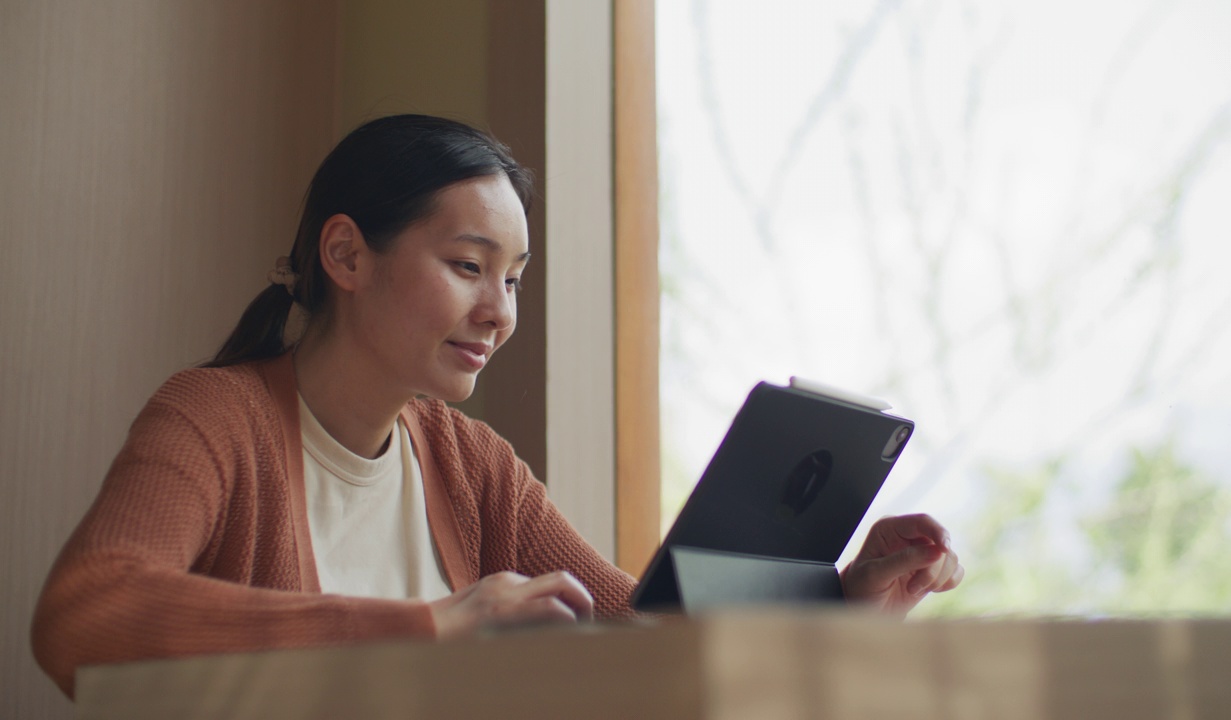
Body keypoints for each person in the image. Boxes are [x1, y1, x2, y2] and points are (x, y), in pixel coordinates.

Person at [30, 114, 964, 699]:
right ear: (346, 255)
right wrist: (431, 626)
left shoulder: (472, 465)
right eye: (469, 267)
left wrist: (845, 603)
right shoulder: (214, 419)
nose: (499, 312)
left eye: (513, 279)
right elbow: (83, 617)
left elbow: (640, 645)